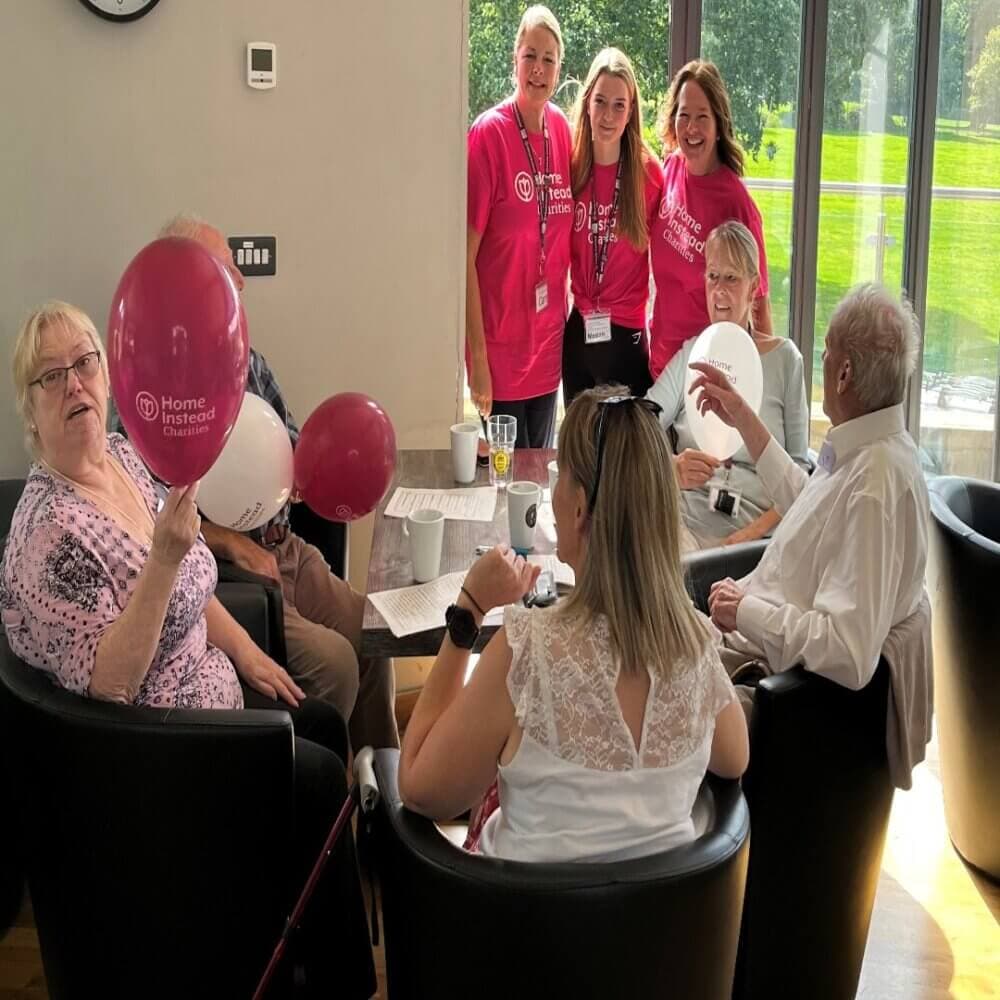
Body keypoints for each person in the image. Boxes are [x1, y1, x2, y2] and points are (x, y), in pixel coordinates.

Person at [0, 302, 375, 997]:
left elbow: (198, 582)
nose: (75, 385)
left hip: (207, 707)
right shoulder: (52, 536)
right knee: (321, 778)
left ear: (106, 375)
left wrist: (248, 656)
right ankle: (338, 980)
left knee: (319, 718)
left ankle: (302, 934)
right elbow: (110, 684)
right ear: (30, 407)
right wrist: (166, 559)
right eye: (51, 377)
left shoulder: (118, 456)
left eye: (84, 363)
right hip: (158, 765)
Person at [397, 386, 748, 863]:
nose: (552, 489)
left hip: (527, 930)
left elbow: (419, 787)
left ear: (580, 507)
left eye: (558, 476)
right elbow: (734, 759)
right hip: (658, 933)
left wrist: (469, 610)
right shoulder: (695, 645)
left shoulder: (525, 655)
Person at [125, 213, 398, 753]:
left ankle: (389, 797)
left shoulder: (249, 363)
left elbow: (293, 450)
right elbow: (142, 513)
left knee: (375, 635)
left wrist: (314, 476)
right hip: (232, 574)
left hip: (287, 548)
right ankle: (325, 806)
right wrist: (231, 543)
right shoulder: (146, 385)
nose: (241, 286)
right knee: (337, 665)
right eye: (227, 273)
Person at [688, 283, 930, 708]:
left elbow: (848, 653)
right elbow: (811, 506)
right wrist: (743, 416)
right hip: (740, 638)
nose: (822, 359)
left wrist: (744, 610)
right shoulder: (875, 449)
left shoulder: (874, 487)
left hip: (754, 675)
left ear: (844, 373)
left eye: (827, 349)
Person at [647, 221, 809, 548]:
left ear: (753, 288)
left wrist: (747, 537)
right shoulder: (692, 353)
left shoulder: (784, 360)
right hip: (683, 519)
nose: (719, 289)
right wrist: (670, 467)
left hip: (756, 533)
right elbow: (642, 423)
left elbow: (800, 474)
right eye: (712, 276)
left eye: (731, 277)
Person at [466, 4, 574, 448]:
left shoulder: (562, 130)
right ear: (515, 58)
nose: (539, 68)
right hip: (500, 356)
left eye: (549, 59)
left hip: (548, 353)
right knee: (503, 484)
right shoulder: (488, 134)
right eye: (531, 55)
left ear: (558, 68)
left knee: (537, 487)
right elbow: (464, 260)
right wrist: (478, 359)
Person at [649, 60, 771, 380]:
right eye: (684, 115)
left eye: (702, 117)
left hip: (709, 372)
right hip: (660, 365)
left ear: (718, 125)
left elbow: (759, 302)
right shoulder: (671, 170)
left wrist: (764, 386)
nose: (691, 128)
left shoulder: (736, 203)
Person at [562, 47, 663, 406]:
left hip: (626, 337)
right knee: (578, 453)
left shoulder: (648, 173)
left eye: (619, 105)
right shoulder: (571, 166)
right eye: (600, 101)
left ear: (631, 110)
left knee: (624, 458)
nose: (608, 115)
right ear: (587, 102)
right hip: (579, 334)